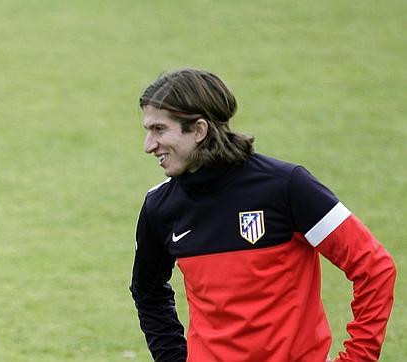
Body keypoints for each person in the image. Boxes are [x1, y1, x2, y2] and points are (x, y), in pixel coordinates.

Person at [130, 68, 396, 361]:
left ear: (199, 130)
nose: (149, 146)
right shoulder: (160, 206)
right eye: (148, 131)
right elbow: (148, 291)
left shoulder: (287, 187)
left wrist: (358, 357)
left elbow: (373, 267)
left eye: (159, 130)